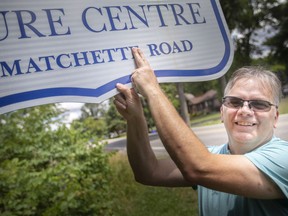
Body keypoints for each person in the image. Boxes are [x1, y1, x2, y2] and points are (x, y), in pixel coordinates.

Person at [114, 48, 288, 215]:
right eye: (234, 102)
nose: (245, 110)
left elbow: (199, 167)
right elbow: (148, 172)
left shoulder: (283, 158)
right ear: (222, 112)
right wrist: (135, 118)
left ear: (275, 118)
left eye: (259, 104)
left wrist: (152, 90)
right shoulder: (211, 155)